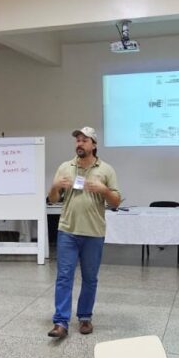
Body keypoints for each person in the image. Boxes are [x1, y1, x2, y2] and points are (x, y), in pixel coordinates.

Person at [46, 127, 120, 339]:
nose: (79, 143)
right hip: (67, 231)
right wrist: (55, 186)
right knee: (64, 277)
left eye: (84, 140)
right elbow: (52, 199)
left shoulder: (106, 170)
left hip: (93, 233)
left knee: (90, 279)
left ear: (94, 145)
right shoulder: (65, 167)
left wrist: (104, 190)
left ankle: (85, 317)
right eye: (77, 140)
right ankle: (60, 322)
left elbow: (115, 202)